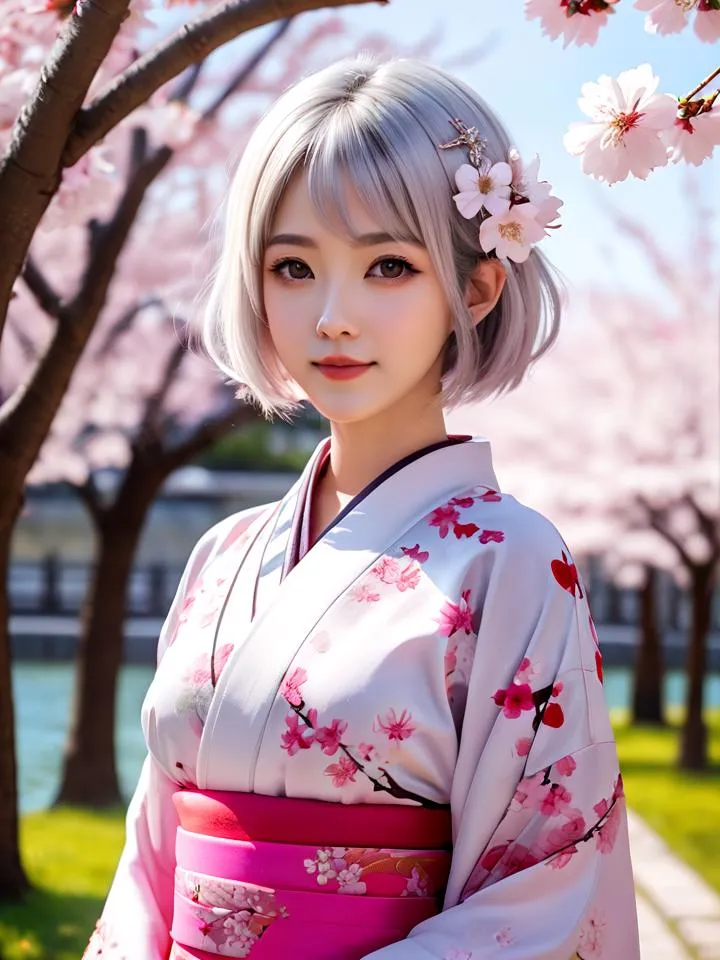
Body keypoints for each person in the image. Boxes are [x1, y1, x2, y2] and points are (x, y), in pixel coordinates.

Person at [83, 56, 641, 960]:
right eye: (294, 267)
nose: (333, 317)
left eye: (388, 265)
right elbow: (151, 857)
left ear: (476, 287)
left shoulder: (513, 562)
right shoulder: (224, 556)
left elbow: (544, 881)